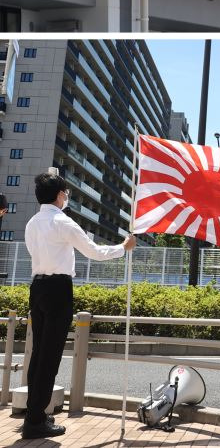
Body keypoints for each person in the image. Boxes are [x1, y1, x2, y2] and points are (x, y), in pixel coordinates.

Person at [22, 172, 136, 440]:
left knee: (39, 353)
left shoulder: (32, 222)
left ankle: (34, 412)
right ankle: (35, 420)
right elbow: (94, 252)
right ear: (60, 195)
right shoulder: (63, 222)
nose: (67, 197)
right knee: (50, 355)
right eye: (67, 193)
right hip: (58, 289)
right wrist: (124, 246)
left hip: (36, 287)